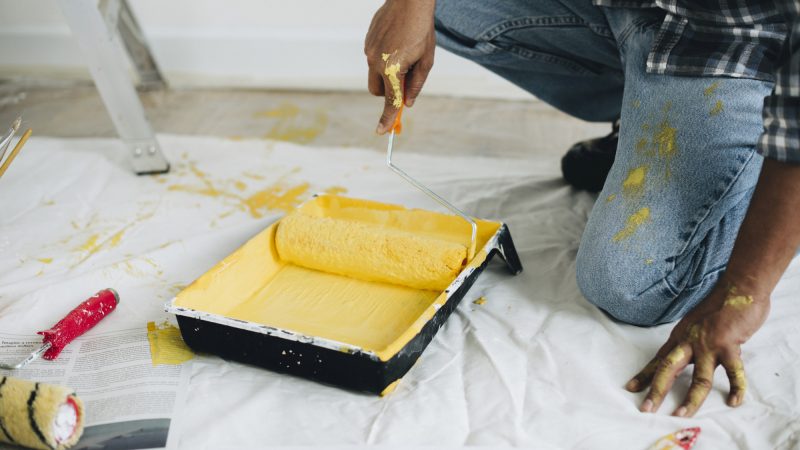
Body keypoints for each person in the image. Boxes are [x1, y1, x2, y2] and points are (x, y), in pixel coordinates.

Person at [364, 0, 800, 418]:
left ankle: (752, 159)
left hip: (738, 43)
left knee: (631, 286)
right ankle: (641, 122)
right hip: (633, 9)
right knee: (443, 6)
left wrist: (746, 289)